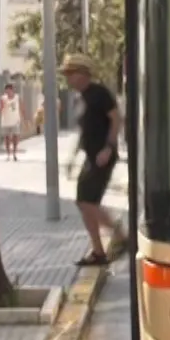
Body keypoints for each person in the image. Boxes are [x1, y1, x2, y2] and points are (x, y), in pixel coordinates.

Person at [62, 53, 127, 266]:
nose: (68, 78)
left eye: (70, 73)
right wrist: (73, 156)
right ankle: (99, 251)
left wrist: (109, 147)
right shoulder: (82, 98)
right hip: (91, 156)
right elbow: (85, 131)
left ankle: (120, 235)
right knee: (84, 202)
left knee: (88, 202)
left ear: (82, 74)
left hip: (102, 156)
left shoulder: (99, 93)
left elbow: (116, 119)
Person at [0, 81, 23, 161]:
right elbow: (0, 109)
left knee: (15, 137)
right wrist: (1, 107)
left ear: (12, 90)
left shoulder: (17, 97)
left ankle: (14, 153)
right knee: (7, 138)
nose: (8, 92)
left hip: (15, 120)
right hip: (6, 121)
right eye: (6, 90)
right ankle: (8, 154)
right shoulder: (3, 98)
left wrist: (23, 118)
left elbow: (21, 107)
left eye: (9, 90)